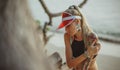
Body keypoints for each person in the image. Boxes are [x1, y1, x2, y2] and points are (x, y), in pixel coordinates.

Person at [57, 5, 101, 70]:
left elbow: (85, 67)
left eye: (68, 26)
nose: (66, 29)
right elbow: (69, 64)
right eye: (65, 26)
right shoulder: (67, 36)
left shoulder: (91, 38)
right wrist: (87, 53)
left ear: (77, 21)